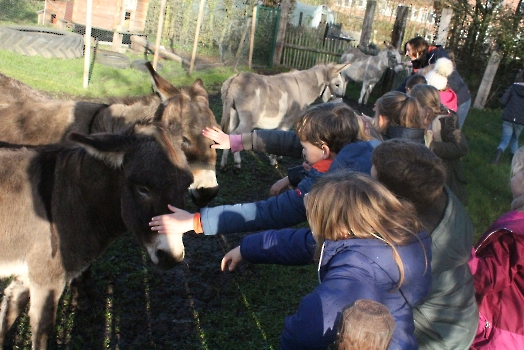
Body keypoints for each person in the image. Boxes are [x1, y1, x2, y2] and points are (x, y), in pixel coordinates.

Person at [220, 171, 432, 350]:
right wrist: (246, 248)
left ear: (339, 230)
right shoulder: (392, 237)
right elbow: (303, 243)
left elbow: (305, 332)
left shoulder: (353, 279)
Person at [149, 102, 376, 236]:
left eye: (305, 146)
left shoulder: (325, 187)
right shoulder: (359, 148)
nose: (300, 150)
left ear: (324, 150)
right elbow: (288, 142)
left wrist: (196, 221)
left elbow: (269, 212)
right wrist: (236, 141)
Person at [371, 139, 478, 350]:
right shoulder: (436, 192)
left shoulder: (415, 254)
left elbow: (373, 294)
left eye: (373, 181)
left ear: (395, 200)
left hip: (435, 338)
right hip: (460, 319)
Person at [468, 146, 524, 349]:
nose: (511, 177)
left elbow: (486, 277)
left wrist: (460, 251)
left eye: (516, 171)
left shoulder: (516, 234)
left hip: (500, 333)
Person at [410, 83, 468, 204]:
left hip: (445, 177)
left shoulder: (446, 119)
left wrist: (432, 145)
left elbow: (461, 147)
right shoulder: (417, 117)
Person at [398, 36, 471, 129]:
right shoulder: (420, 61)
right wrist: (393, 97)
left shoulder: (437, 55)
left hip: (460, 99)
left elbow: (439, 68)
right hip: (440, 97)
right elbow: (410, 82)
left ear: (418, 49)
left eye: (408, 50)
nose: (406, 53)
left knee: (450, 131)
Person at [492, 69, 524, 164]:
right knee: (515, 139)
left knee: (505, 140)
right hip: (521, 120)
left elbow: (503, 101)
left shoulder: (513, 87)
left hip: (509, 117)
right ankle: (513, 163)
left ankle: (496, 160)